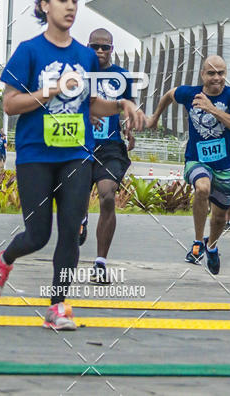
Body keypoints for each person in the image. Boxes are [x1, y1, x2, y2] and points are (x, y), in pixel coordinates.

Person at [0, 0, 144, 331]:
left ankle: (58, 307)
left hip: (76, 154)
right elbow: (9, 104)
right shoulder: (28, 52)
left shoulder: (86, 56)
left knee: (70, 231)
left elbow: (90, 104)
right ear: (44, 5)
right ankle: (5, 259)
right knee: (38, 234)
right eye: (62, 0)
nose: (71, 7)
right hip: (36, 155)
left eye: (75, 0)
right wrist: (51, 90)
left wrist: (121, 107)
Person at [146, 55, 230, 275]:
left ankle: (211, 246)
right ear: (203, 74)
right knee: (202, 188)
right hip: (197, 158)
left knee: (220, 217)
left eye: (221, 73)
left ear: (226, 74)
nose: (216, 78)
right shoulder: (190, 93)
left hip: (224, 165)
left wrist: (214, 110)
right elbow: (169, 95)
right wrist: (155, 118)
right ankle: (197, 241)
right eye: (211, 73)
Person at [79, 27, 138, 283]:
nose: (101, 51)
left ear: (112, 49)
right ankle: (81, 217)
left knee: (106, 196)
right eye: (96, 47)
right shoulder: (78, 73)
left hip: (111, 146)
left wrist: (130, 127)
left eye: (106, 47)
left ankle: (100, 263)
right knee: (76, 197)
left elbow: (129, 107)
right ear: (88, 47)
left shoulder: (122, 76)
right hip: (80, 145)